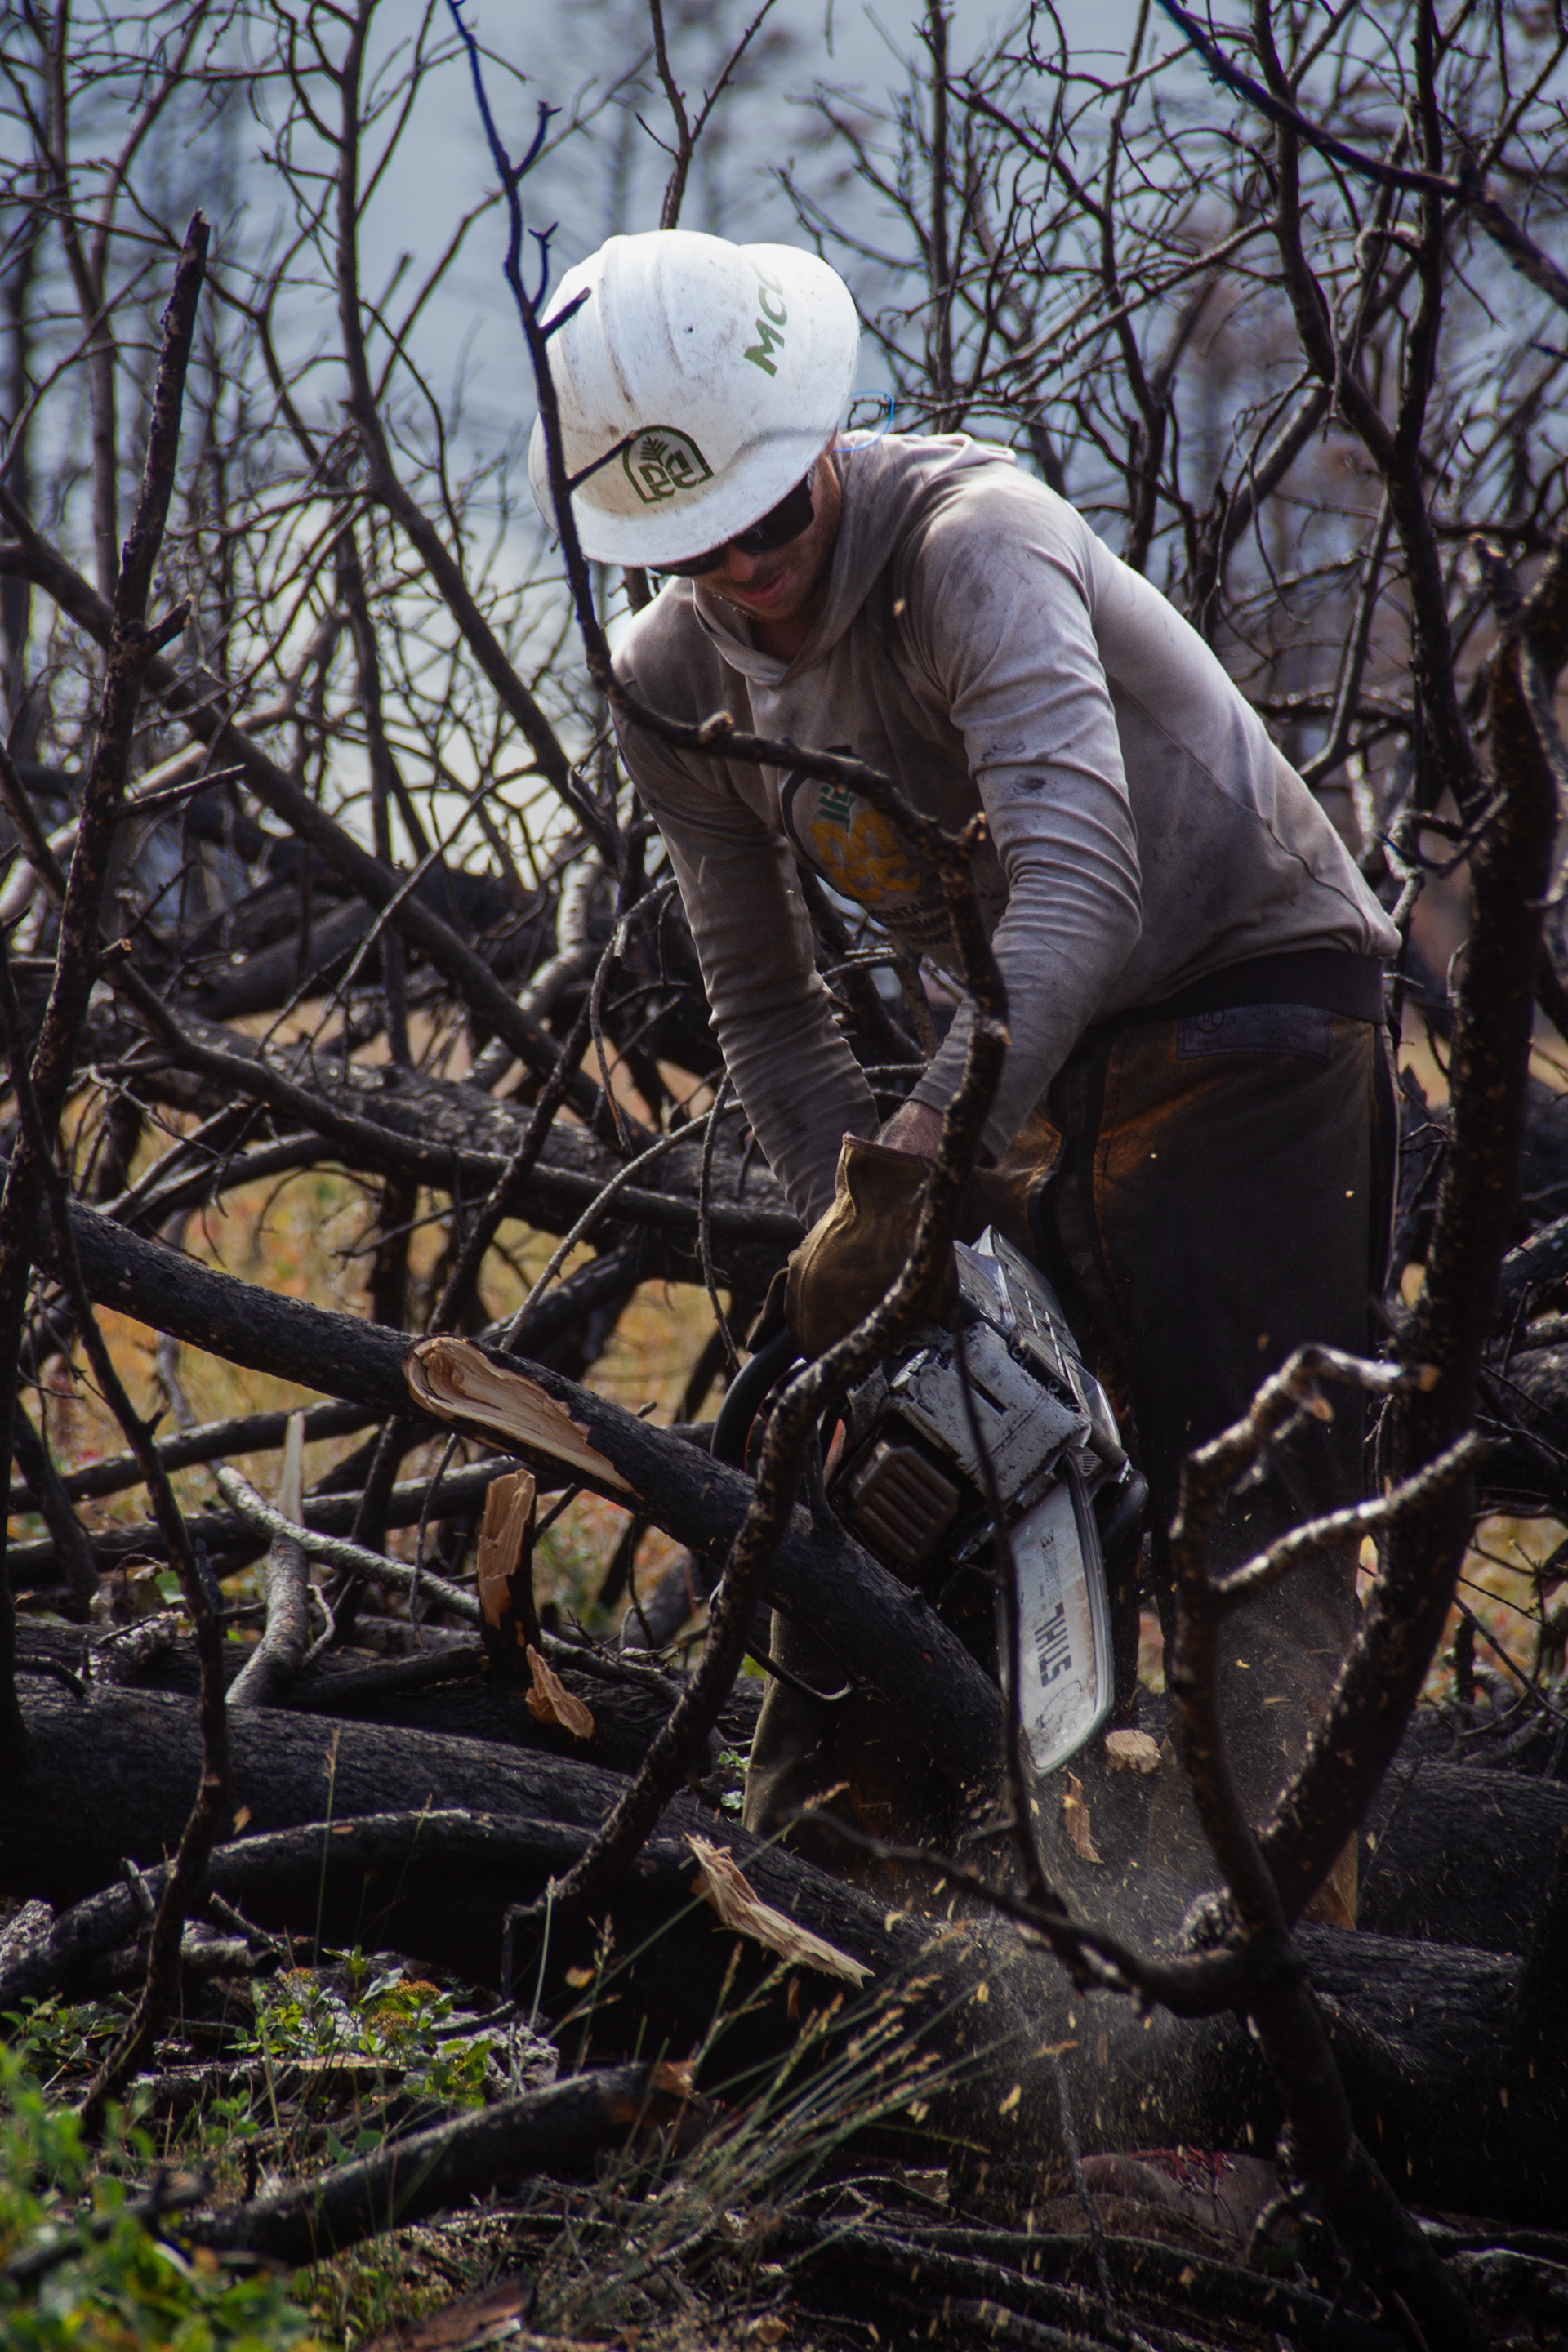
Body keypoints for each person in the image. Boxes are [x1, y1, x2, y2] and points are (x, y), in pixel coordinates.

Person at [529, 230, 1400, 1925]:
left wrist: (924, 1160)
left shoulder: (970, 543)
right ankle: (849, 1965)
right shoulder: (671, 682)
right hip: (1035, 1063)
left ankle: (1290, 2032)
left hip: (1257, 1019)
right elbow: (766, 1010)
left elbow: (1086, 884)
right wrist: (869, 1251)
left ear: (819, 442)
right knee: (893, 1490)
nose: (751, 561)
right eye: (699, 537)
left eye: (773, 510)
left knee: (1249, 1537)